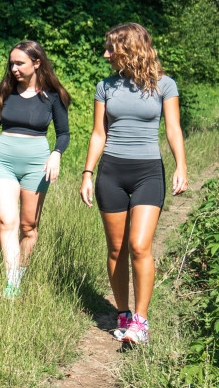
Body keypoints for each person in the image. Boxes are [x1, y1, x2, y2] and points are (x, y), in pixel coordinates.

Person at [79, 23, 187, 344]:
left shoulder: (164, 85)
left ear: (130, 48)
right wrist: (87, 172)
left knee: (139, 246)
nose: (105, 54)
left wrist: (181, 164)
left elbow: (173, 129)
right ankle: (123, 313)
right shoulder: (105, 87)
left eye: (111, 48)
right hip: (111, 172)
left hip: (148, 172)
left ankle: (140, 321)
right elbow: (99, 133)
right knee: (116, 249)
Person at [0, 40, 71, 298]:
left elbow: (64, 134)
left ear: (36, 64)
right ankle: (12, 283)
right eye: (11, 63)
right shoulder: (5, 92)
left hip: (37, 165)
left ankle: (20, 273)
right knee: (6, 222)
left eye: (19, 63)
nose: (13, 68)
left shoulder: (52, 96)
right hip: (3, 161)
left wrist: (56, 153)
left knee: (29, 228)